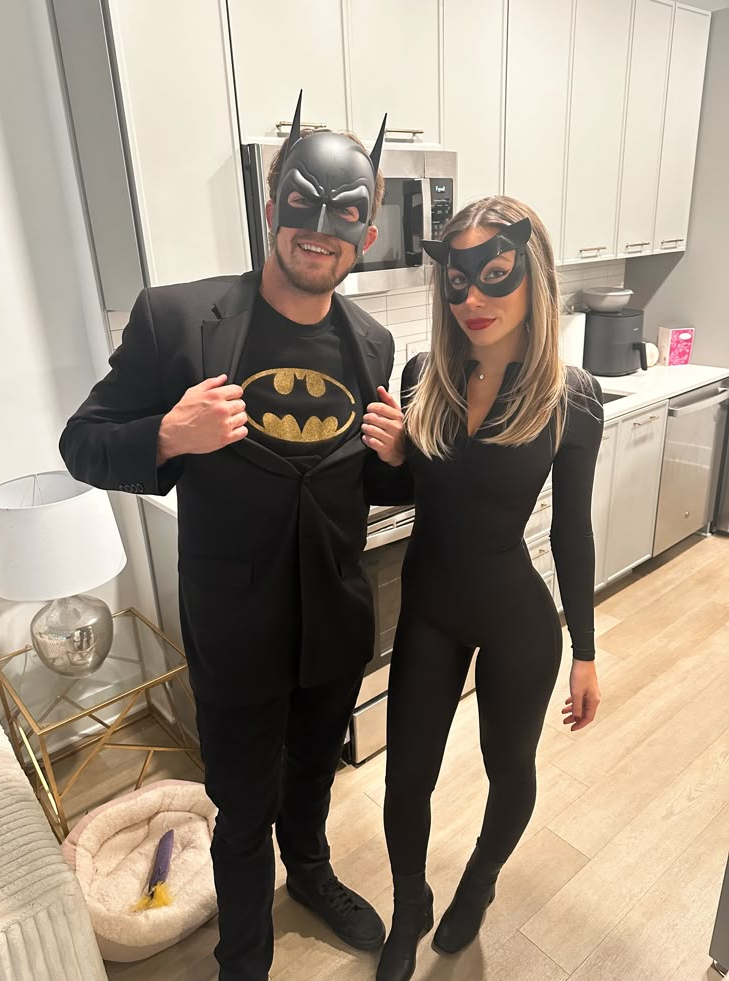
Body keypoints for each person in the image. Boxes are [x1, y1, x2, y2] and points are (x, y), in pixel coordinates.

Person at [59, 94, 409, 981]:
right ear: (271, 205)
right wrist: (169, 435)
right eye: (304, 203)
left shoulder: (373, 340)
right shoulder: (178, 319)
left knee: (313, 778)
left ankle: (316, 871)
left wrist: (405, 459)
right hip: (236, 629)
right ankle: (243, 957)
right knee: (240, 807)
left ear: (365, 230)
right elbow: (82, 442)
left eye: (346, 213)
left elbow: (369, 481)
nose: (320, 229)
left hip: (334, 617)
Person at [375, 195, 604, 981]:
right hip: (430, 611)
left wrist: (587, 650)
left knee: (510, 769)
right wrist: (395, 455)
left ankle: (479, 879)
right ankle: (410, 904)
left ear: (532, 274)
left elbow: (572, 532)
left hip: (516, 617)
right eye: (458, 282)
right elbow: (422, 493)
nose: (473, 299)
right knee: (405, 776)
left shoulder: (570, 397)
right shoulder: (423, 375)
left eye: (495, 276)